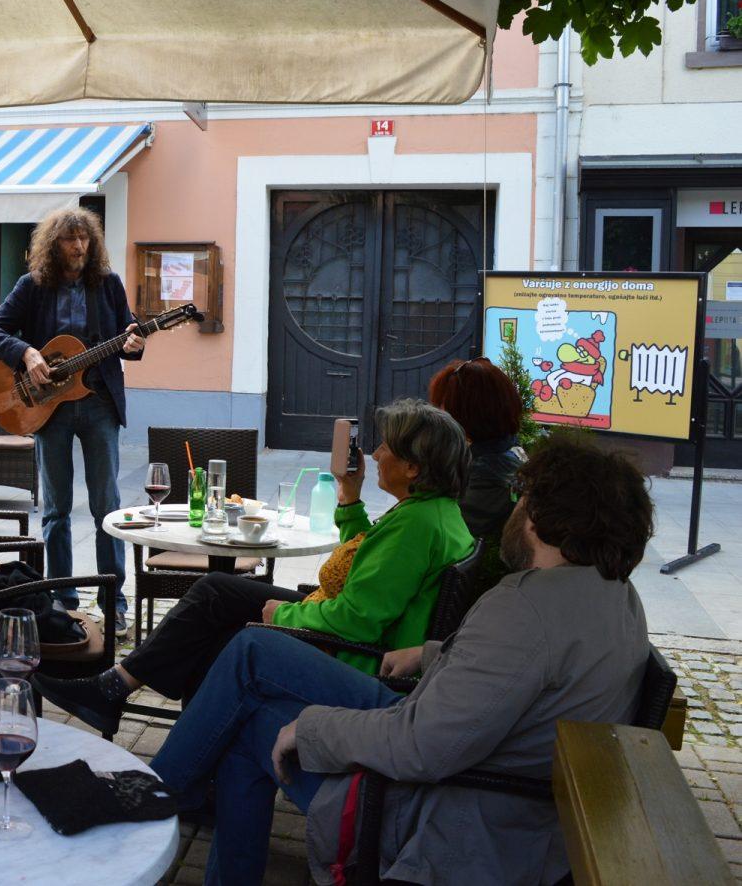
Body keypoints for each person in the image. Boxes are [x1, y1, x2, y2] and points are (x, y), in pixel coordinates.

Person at [148, 435, 653, 886]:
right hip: (498, 785)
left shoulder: (528, 606)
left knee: (253, 697)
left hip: (444, 811)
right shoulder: (615, 596)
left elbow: (421, 745)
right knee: (254, 650)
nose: (513, 511)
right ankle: (163, 793)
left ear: (542, 517)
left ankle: (152, 799)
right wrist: (435, 653)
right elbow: (525, 674)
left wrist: (311, 730)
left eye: (522, 500)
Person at [34, 399, 472, 736]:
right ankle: (116, 690)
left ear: (413, 467)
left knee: (219, 625)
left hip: (357, 658)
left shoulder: (415, 527)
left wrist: (282, 615)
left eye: (386, 447)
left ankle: (128, 702)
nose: (375, 454)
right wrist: (349, 496)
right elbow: (363, 559)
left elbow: (356, 621)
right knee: (218, 591)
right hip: (357, 632)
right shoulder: (433, 512)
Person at [0, 206, 144, 636]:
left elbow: (128, 339)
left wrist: (135, 342)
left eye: (85, 239)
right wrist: (27, 352)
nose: (78, 247)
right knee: (56, 510)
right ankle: (64, 599)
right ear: (55, 244)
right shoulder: (32, 287)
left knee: (107, 506)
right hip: (48, 407)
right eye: (70, 239)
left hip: (99, 404)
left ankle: (114, 600)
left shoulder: (107, 285)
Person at [428, 357, 526, 593]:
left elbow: (444, 541)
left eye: (442, 407)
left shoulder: (486, 473)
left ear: (467, 415)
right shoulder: (509, 450)